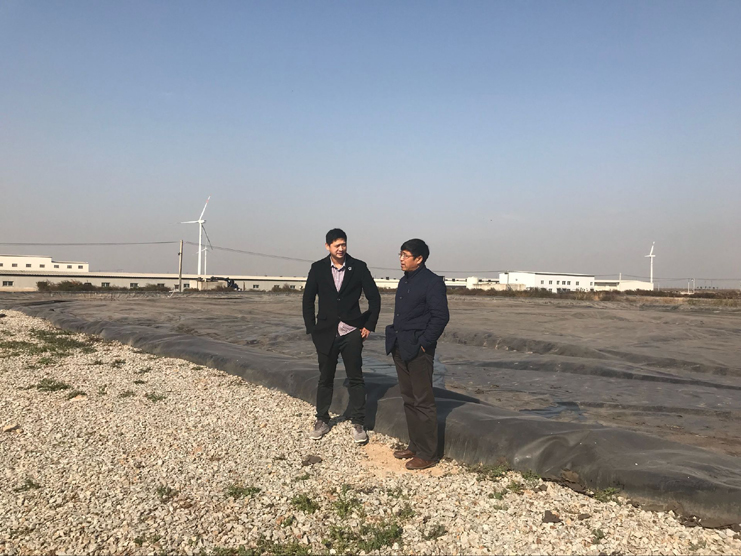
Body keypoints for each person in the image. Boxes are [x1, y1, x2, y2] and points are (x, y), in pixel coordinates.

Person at [302, 228, 381, 444]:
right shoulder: (318, 268)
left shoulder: (359, 267)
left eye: (343, 244)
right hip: (325, 332)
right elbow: (308, 300)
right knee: (325, 378)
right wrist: (312, 328)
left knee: (356, 377)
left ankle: (359, 423)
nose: (341, 249)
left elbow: (374, 298)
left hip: (351, 332)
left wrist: (368, 325)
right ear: (327, 246)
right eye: (336, 245)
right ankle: (322, 419)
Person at [385, 238, 449, 470]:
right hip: (400, 345)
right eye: (400, 254)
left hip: (418, 349)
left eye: (406, 255)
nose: (401, 259)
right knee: (409, 398)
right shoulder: (405, 281)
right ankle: (415, 445)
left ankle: (428, 454)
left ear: (419, 259)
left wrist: (424, 343)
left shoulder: (432, 282)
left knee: (423, 401)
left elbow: (440, 317)